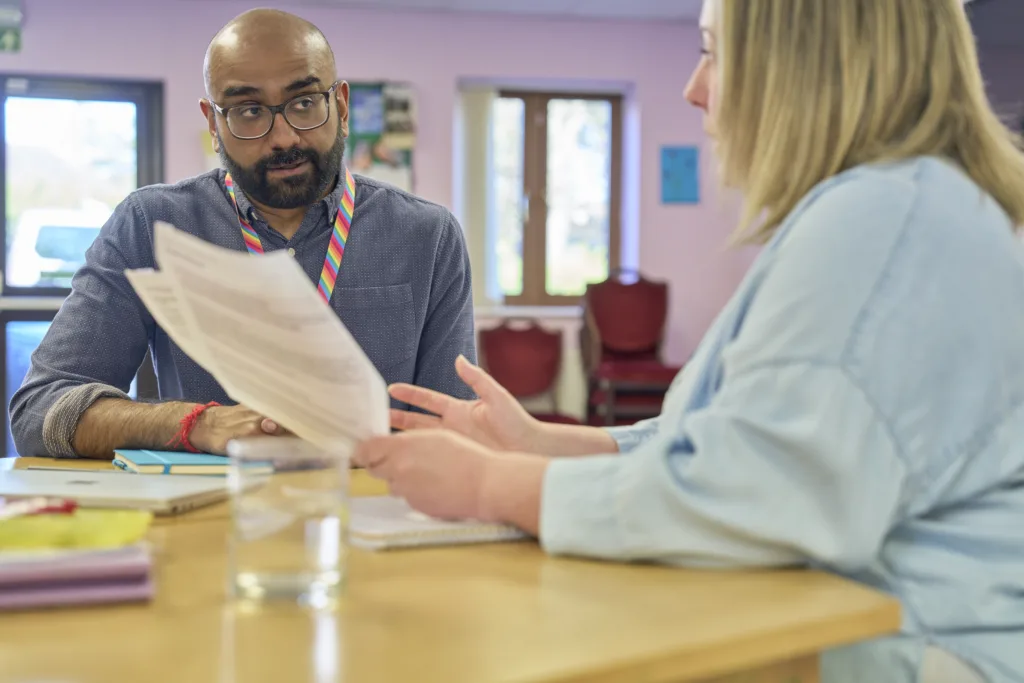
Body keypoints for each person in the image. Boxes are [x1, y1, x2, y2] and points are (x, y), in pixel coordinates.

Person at [353, 0, 1024, 681]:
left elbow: (757, 498)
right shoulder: (907, 205)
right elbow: (738, 436)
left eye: (713, 51)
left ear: (800, 64)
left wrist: (493, 483)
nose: (694, 88)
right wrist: (547, 441)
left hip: (921, 646)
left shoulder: (882, 221)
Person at [9, 9, 476, 459]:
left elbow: (454, 434)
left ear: (342, 105)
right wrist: (199, 425)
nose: (284, 137)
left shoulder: (427, 237)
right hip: (211, 522)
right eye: (249, 110)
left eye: (305, 102)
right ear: (213, 123)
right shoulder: (151, 225)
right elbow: (41, 411)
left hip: (371, 517)